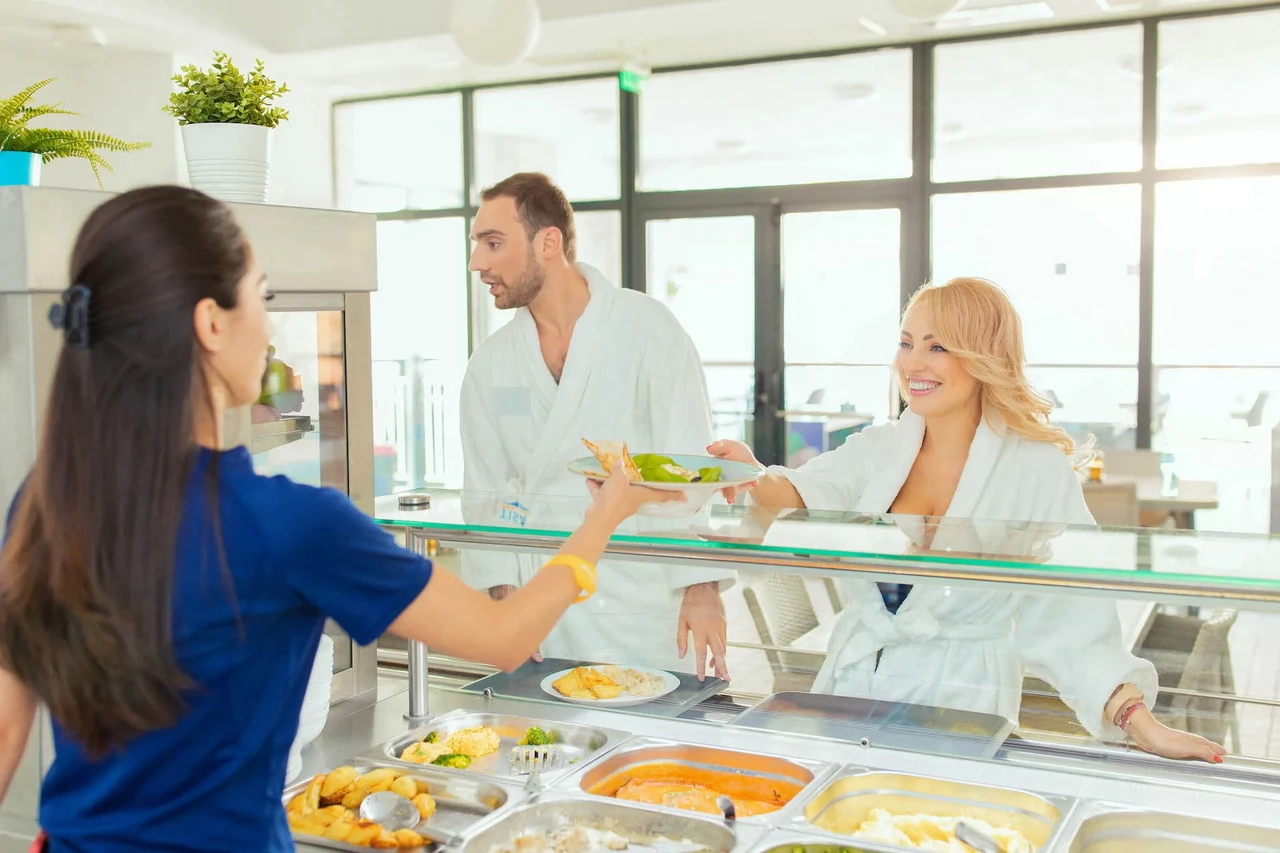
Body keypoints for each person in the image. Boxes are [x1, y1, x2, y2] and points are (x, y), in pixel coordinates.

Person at [0, 186, 677, 853]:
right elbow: (503, 636)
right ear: (211, 323)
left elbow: (5, 732)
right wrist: (606, 513)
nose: (270, 328)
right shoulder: (290, 524)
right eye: (262, 296)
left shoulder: (45, 502)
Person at [710, 277, 1226, 763]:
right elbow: (799, 492)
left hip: (961, 705)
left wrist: (1139, 722)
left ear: (984, 357)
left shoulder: (1034, 468)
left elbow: (1073, 617)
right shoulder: (879, 448)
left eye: (937, 346)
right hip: (849, 695)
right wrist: (749, 472)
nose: (913, 362)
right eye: (906, 343)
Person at [460, 172, 734, 680]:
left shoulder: (649, 330)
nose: (477, 262)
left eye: (493, 243)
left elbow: (692, 470)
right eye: (477, 244)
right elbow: (486, 489)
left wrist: (701, 587)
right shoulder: (491, 363)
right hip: (543, 606)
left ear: (548, 243)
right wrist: (506, 600)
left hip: (640, 598)